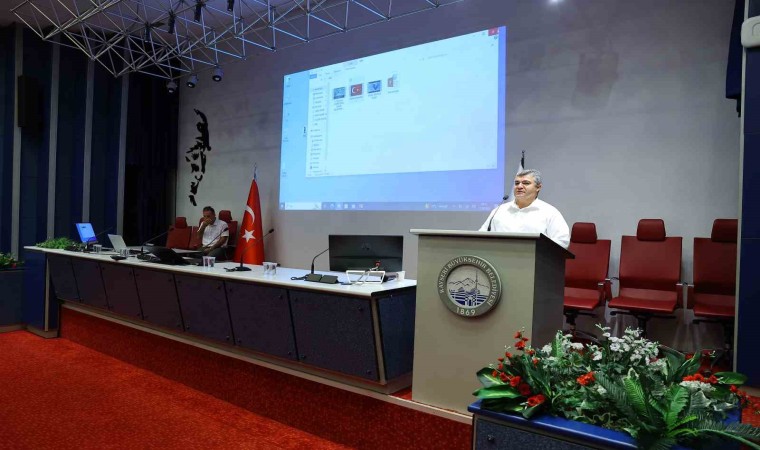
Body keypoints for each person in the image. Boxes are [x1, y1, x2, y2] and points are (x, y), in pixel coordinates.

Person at [479, 169, 570, 248]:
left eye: (526, 183)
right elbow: (480, 236)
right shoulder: (499, 210)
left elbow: (562, 241)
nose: (519, 186)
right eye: (517, 183)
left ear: (538, 187)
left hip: (534, 260)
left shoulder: (550, 212)